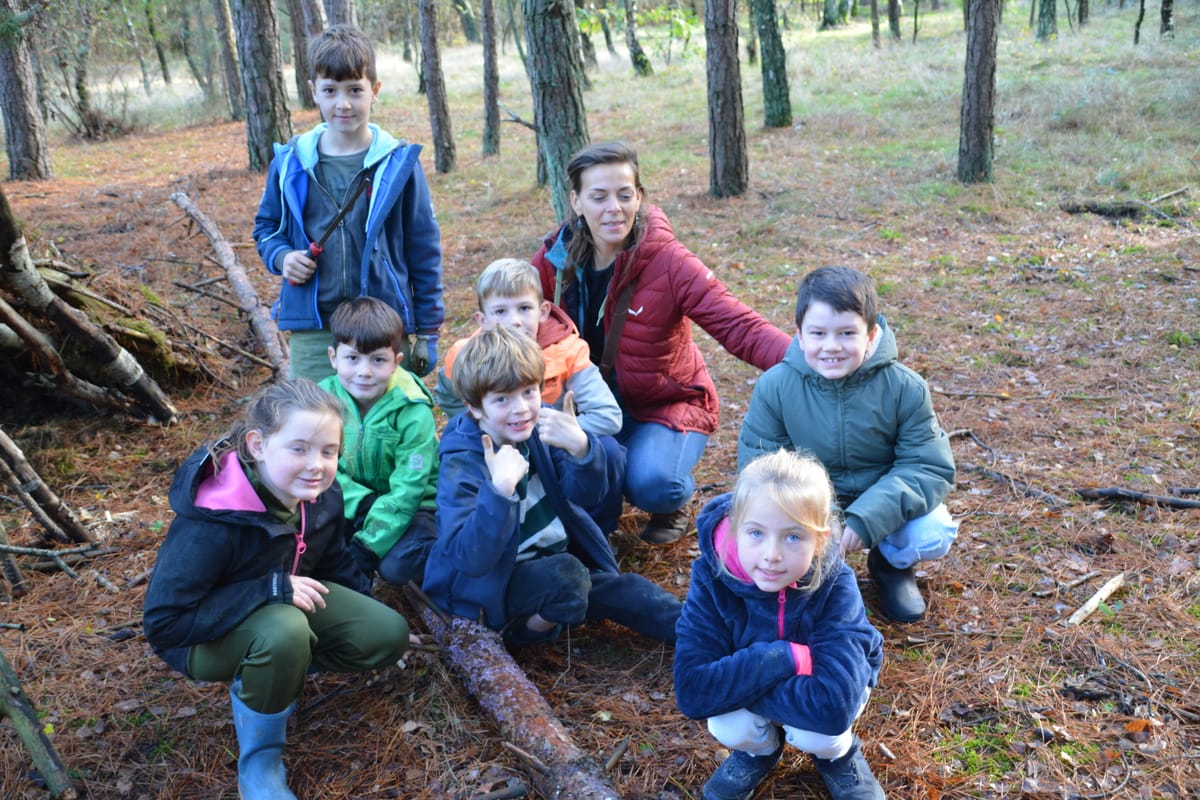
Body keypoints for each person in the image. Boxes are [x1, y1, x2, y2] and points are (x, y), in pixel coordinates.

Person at [142, 380, 410, 800]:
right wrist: (271, 589)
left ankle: (273, 676)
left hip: (278, 604)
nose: (316, 465)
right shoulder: (212, 521)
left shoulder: (321, 493)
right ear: (258, 445)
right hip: (199, 636)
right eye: (298, 448)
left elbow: (333, 561)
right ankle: (260, 765)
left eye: (329, 451)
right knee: (285, 631)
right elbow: (164, 623)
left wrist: (364, 607)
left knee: (385, 634)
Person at [531, 141, 791, 545]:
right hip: (588, 403)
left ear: (640, 197)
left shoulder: (667, 261)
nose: (613, 208)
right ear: (576, 201)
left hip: (664, 403)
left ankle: (671, 501)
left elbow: (738, 325)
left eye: (624, 194)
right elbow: (509, 318)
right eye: (598, 196)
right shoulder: (554, 262)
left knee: (651, 483)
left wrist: (811, 360)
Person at [422, 325, 681, 645]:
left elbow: (585, 496)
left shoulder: (536, 424)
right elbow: (470, 559)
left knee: (628, 591)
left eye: (528, 392)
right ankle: (521, 634)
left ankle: (701, 633)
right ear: (474, 407)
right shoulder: (463, 459)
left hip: (548, 564)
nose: (520, 408)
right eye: (502, 399)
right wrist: (499, 491)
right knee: (568, 577)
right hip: (489, 591)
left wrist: (581, 451)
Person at [737, 265, 958, 623]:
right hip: (809, 509)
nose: (831, 346)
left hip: (881, 504)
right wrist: (823, 517)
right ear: (800, 335)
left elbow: (927, 467)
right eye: (819, 333)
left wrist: (865, 518)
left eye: (846, 333)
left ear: (871, 336)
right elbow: (761, 466)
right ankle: (806, 578)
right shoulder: (776, 387)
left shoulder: (905, 387)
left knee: (934, 530)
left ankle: (891, 565)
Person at [674, 450, 885, 800]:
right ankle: (760, 750)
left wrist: (734, 685)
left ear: (819, 540)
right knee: (726, 723)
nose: (772, 554)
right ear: (736, 528)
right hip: (796, 677)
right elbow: (692, 691)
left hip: (815, 692)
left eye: (792, 537)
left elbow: (833, 705)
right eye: (756, 533)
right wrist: (783, 658)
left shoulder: (835, 584)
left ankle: (838, 755)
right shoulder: (711, 579)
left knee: (817, 733)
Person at [254, 23, 444, 383]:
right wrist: (282, 257)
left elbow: (424, 248)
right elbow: (266, 228)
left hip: (382, 325)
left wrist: (429, 329)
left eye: (355, 90)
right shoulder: (290, 163)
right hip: (315, 326)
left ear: (374, 91)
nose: (343, 103)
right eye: (330, 90)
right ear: (314, 92)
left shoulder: (398, 164)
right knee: (313, 423)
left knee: (384, 425)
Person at [435, 257, 625, 533]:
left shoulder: (567, 352)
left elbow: (610, 416)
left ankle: (594, 531)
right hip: (497, 445)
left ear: (543, 310)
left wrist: (561, 431)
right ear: (482, 319)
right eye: (500, 311)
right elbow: (450, 396)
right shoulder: (466, 356)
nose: (514, 321)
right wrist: (482, 427)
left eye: (524, 308)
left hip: (552, 449)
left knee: (607, 450)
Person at [318, 296, 438, 587]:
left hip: (412, 508)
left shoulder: (412, 410)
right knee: (316, 545)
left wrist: (367, 546)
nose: (364, 372)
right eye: (352, 358)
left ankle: (438, 563)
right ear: (334, 357)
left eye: (378, 360)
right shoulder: (322, 401)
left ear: (396, 362)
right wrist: (361, 503)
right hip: (352, 502)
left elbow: (410, 487)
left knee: (396, 567)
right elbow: (321, 465)